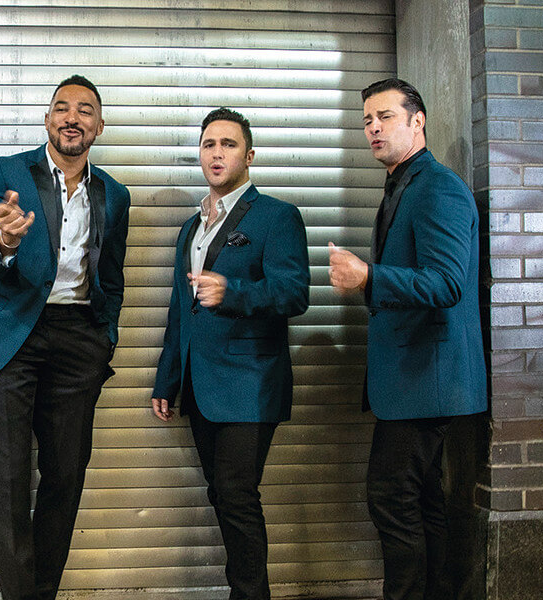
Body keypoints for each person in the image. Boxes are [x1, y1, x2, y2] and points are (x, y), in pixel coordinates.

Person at [0, 74, 130, 600]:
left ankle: (42, 591)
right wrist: (4, 242)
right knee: (8, 479)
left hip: (78, 339)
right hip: (11, 336)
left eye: (85, 110)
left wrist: (105, 337)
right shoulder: (6, 172)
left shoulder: (115, 195)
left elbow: (111, 277)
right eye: (62, 108)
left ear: (99, 126)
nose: (73, 117)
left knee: (65, 476)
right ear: (48, 120)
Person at [327, 78, 487, 600]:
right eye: (367, 121)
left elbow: (447, 283)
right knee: (422, 505)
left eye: (385, 117)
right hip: (413, 382)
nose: (373, 128)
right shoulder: (403, 185)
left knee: (392, 500)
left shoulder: (437, 187)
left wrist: (368, 277)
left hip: (427, 381)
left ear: (418, 121)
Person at [150, 107, 309, 599]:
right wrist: (167, 379)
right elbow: (180, 309)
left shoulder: (277, 216)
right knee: (221, 494)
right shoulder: (190, 228)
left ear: (249, 155)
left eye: (228, 144)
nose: (217, 153)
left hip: (250, 382)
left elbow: (294, 293)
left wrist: (233, 292)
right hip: (200, 385)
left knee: (238, 496)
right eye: (209, 145)